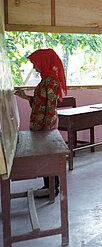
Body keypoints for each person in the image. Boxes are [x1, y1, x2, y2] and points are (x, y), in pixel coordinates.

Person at [14, 49, 67, 196]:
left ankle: (52, 188)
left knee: (48, 157)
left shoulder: (51, 81)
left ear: (44, 62)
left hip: (46, 126)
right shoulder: (46, 79)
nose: (34, 67)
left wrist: (44, 130)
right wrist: (25, 97)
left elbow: (50, 107)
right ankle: (49, 187)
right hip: (43, 125)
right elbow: (41, 102)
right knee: (46, 157)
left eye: (36, 63)